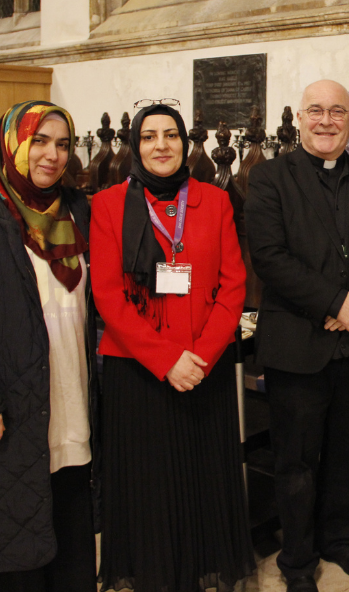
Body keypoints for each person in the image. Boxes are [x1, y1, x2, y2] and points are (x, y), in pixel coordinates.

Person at [245, 80, 349, 592]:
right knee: (296, 462)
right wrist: (335, 302)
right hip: (298, 346)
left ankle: (342, 540)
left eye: (337, 111)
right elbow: (270, 257)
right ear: (299, 117)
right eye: (316, 110)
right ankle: (297, 559)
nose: (326, 120)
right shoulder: (270, 177)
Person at [90, 102, 254, 592]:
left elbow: (233, 287)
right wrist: (166, 361)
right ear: (134, 145)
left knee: (204, 480)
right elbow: (107, 296)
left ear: (185, 143)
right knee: (149, 484)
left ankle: (202, 567)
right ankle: (156, 575)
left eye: (170, 135)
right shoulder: (108, 205)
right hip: (138, 369)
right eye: (148, 136)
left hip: (207, 365)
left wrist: (200, 357)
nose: (160, 145)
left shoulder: (215, 200)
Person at [0, 101, 98, 591]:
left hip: (70, 399)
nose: (52, 155)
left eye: (63, 144)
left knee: (71, 539)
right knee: (16, 542)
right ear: (13, 144)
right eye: (40, 141)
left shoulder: (75, 210)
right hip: (11, 407)